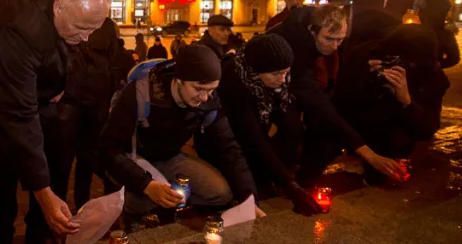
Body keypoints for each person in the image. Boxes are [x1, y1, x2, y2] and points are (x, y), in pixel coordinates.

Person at [0, 0, 110, 244]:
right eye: (82, 28)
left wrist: (62, 85)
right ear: (58, 7)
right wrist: (43, 193)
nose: (86, 37)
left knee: (53, 149)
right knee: (9, 157)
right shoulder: (23, 26)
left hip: (38, 84)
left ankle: (39, 229)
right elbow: (19, 113)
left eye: (94, 28)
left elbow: (77, 53)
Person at [97, 45, 256, 220]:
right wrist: (146, 185)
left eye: (211, 90)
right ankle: (134, 214)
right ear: (179, 80)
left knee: (220, 193)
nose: (204, 97)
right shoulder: (140, 94)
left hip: (170, 157)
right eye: (198, 89)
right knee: (145, 203)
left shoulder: (209, 101)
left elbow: (229, 149)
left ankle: (174, 209)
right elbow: (108, 149)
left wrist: (248, 198)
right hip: (133, 159)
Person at [266, 5, 406, 187]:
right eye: (329, 39)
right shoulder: (294, 45)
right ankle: (273, 180)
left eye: (340, 40)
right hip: (258, 87)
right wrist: (368, 154)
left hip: (287, 84)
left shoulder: (310, 33)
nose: (334, 47)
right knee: (290, 127)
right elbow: (314, 99)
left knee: (299, 127)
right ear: (312, 30)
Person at [318, 24, 448, 185]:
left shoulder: (430, 76)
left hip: (392, 131)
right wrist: (367, 81)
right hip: (360, 124)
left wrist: (406, 100)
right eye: (392, 58)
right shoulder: (366, 55)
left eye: (404, 61)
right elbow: (338, 107)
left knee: (396, 148)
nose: (396, 65)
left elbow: (427, 130)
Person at [218, 34, 323, 216]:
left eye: (286, 72)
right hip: (229, 141)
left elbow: (290, 123)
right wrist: (290, 187)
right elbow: (252, 136)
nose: (282, 80)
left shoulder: (277, 77)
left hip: (256, 133)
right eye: (276, 74)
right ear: (255, 70)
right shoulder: (233, 79)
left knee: (294, 127)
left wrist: (289, 179)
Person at [59, 17, 121, 209]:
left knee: (87, 158)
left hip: (97, 102)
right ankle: (56, 211)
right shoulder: (68, 18)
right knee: (62, 159)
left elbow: (114, 62)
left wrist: (112, 95)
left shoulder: (107, 25)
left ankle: (82, 206)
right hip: (69, 100)